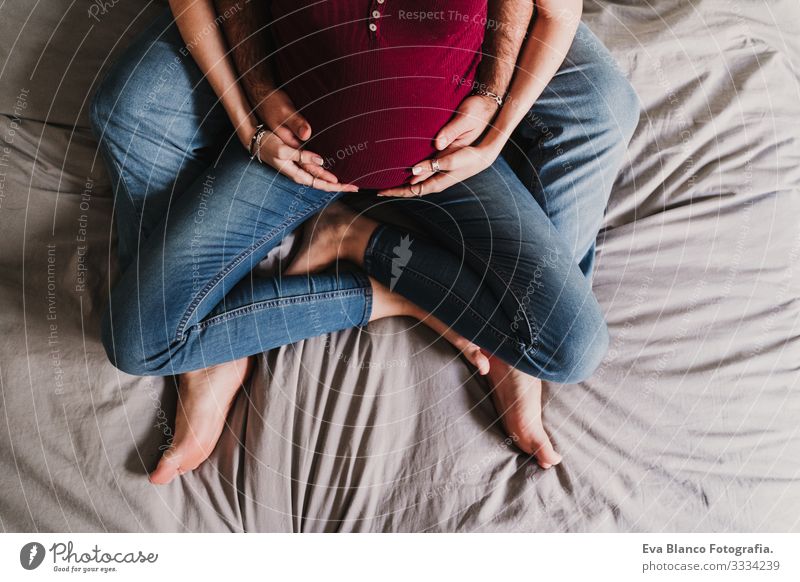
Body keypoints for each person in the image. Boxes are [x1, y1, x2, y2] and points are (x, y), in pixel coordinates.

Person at [90, 0, 639, 485]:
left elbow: (552, 11)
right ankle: (387, 291)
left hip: (446, 161)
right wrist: (251, 119)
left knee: (567, 347)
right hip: (301, 160)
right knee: (141, 341)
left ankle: (365, 242)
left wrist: (494, 125)